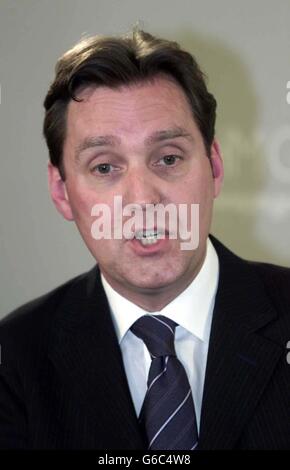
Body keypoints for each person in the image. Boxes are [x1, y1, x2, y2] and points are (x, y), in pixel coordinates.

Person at [0, 29, 289, 450]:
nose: (142, 199)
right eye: (104, 167)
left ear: (215, 167)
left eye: (168, 158)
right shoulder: (14, 360)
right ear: (62, 191)